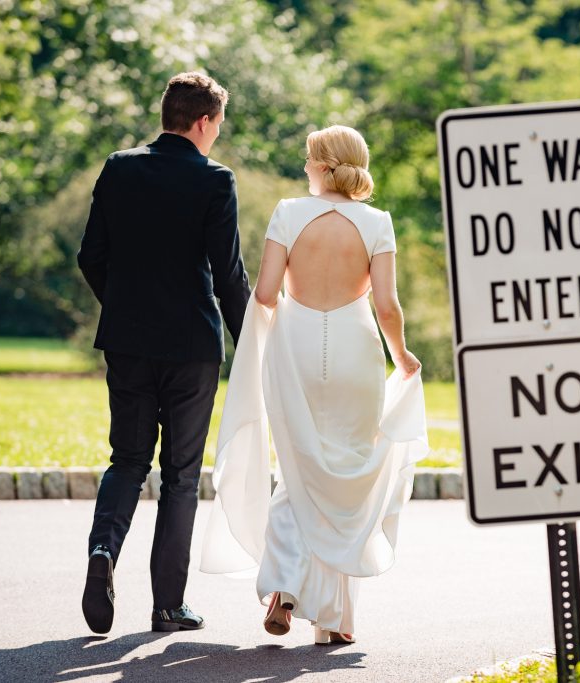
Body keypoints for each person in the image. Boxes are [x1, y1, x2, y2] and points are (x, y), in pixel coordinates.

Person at [200, 125, 427, 645]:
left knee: (298, 467)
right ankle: (333, 620)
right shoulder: (378, 223)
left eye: (308, 158)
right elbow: (387, 306)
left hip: (295, 345)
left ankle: (283, 584)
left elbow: (264, 293)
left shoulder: (288, 212)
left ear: (325, 165)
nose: (303, 165)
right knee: (344, 471)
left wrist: (286, 329)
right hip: (356, 348)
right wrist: (402, 357)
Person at [77, 72, 250, 634]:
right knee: (179, 475)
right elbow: (228, 278)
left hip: (126, 341)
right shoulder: (215, 181)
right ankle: (166, 605)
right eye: (218, 124)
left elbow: (90, 255)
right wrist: (250, 344)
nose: (217, 135)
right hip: (192, 347)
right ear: (203, 121)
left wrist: (123, 305)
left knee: (127, 460)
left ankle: (102, 551)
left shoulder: (119, 166)